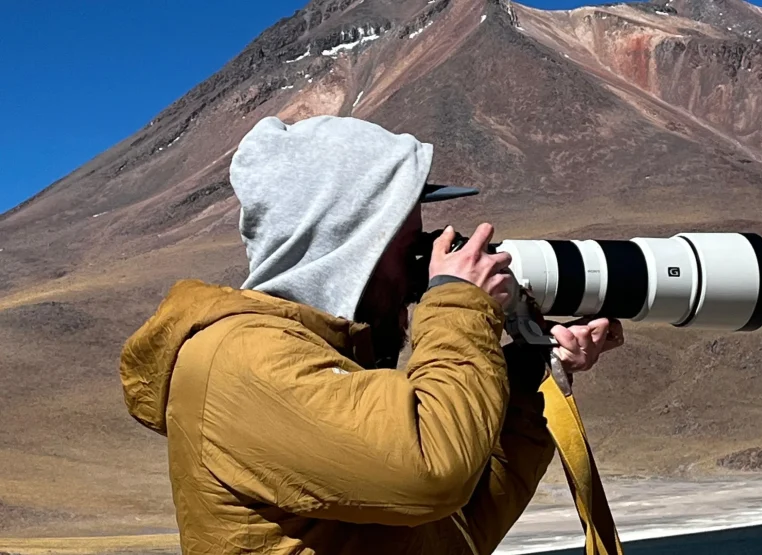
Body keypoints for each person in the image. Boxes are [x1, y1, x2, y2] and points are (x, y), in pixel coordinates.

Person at [120, 115, 624, 554]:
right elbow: (432, 473)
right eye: (410, 245)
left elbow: (453, 535)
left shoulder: (325, 357)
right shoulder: (238, 360)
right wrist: (457, 300)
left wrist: (526, 377)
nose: (421, 267)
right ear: (352, 246)